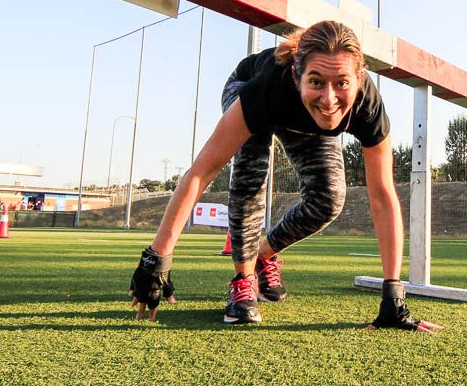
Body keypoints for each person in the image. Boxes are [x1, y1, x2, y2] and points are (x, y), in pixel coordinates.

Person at [128, 20, 442, 333]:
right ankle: (243, 279)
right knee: (252, 172)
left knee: (328, 199)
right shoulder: (269, 88)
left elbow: (383, 196)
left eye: (342, 84)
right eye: (316, 81)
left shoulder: (367, 108)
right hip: (251, 88)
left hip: (301, 114)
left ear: (358, 79)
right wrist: (157, 258)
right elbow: (203, 171)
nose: (329, 99)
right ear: (296, 75)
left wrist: (393, 296)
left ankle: (263, 256)